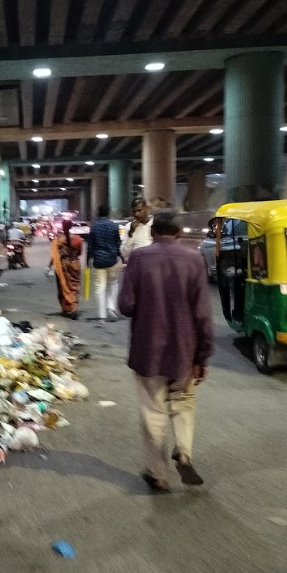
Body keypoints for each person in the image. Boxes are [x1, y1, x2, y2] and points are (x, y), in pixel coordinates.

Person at [117, 210, 213, 492]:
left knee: (153, 411)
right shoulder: (194, 259)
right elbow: (203, 315)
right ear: (180, 233)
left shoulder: (138, 258)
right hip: (185, 350)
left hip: (148, 350)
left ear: (153, 231)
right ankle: (183, 452)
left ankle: (158, 475)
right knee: (183, 403)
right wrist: (203, 356)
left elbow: (125, 306)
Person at [85, 204, 124, 321]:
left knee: (99, 287)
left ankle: (102, 315)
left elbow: (90, 246)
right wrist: (119, 256)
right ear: (109, 213)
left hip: (98, 261)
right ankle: (111, 308)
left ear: (98, 213)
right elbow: (118, 243)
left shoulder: (94, 227)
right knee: (113, 283)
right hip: (112, 260)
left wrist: (88, 261)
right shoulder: (114, 226)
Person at [49, 219, 83, 319]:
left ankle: (67, 308)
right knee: (74, 285)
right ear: (72, 226)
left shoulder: (58, 240)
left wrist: (49, 266)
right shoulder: (78, 239)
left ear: (62, 227)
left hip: (63, 265)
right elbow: (79, 253)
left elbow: (54, 256)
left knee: (63, 287)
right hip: (75, 264)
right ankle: (74, 306)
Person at [121, 197, 153, 262]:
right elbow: (123, 253)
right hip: (137, 265)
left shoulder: (155, 224)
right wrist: (131, 233)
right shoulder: (129, 227)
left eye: (139, 210)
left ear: (147, 208)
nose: (136, 214)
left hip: (153, 264)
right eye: (134, 211)